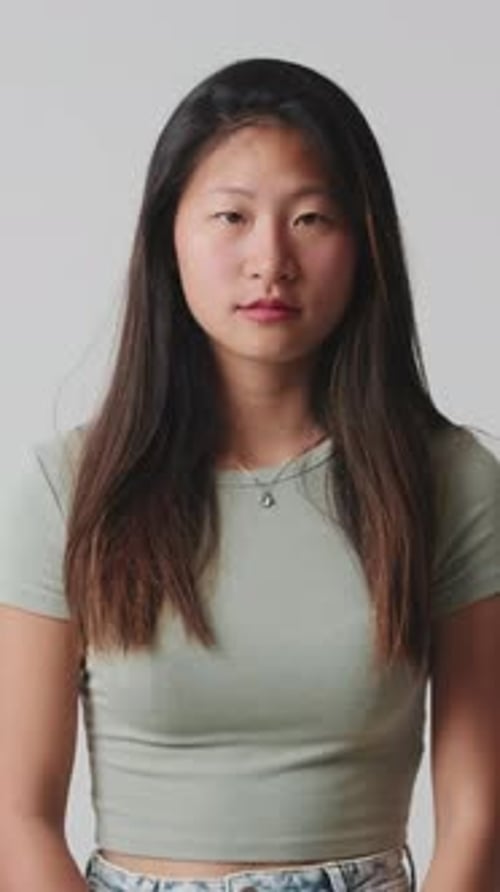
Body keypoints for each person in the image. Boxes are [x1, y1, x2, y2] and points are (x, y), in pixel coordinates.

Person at [0, 56, 498, 892]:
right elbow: (16, 817)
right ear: (170, 235)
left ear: (365, 242)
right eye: (231, 216)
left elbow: (481, 810)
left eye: (311, 219)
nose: (270, 260)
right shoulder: (72, 488)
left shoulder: (445, 480)